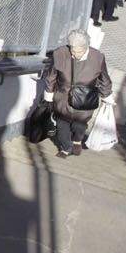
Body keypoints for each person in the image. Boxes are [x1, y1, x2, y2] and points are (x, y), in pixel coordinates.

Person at [40, 27, 113, 158]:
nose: (74, 54)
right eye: (72, 50)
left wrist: (107, 95)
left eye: (78, 51)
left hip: (85, 100)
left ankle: (77, 140)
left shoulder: (97, 57)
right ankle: (66, 147)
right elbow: (51, 76)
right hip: (63, 98)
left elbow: (104, 79)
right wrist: (49, 95)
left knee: (80, 125)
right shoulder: (60, 54)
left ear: (87, 47)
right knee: (62, 126)